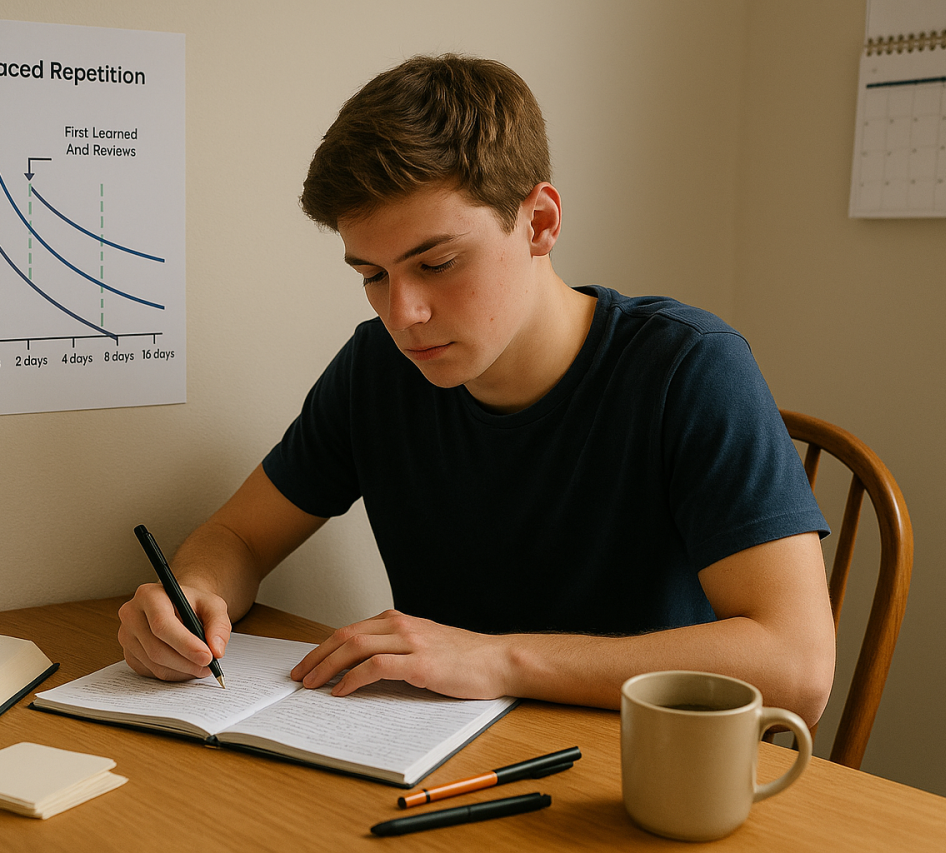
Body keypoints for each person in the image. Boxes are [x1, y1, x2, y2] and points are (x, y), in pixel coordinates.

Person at [118, 54, 836, 725]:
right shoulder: (379, 368)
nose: (403, 314)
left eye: (437, 262)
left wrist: (498, 658)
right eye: (372, 274)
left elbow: (798, 662)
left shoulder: (691, 369)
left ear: (540, 222)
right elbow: (240, 534)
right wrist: (192, 595)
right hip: (433, 754)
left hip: (635, 773)